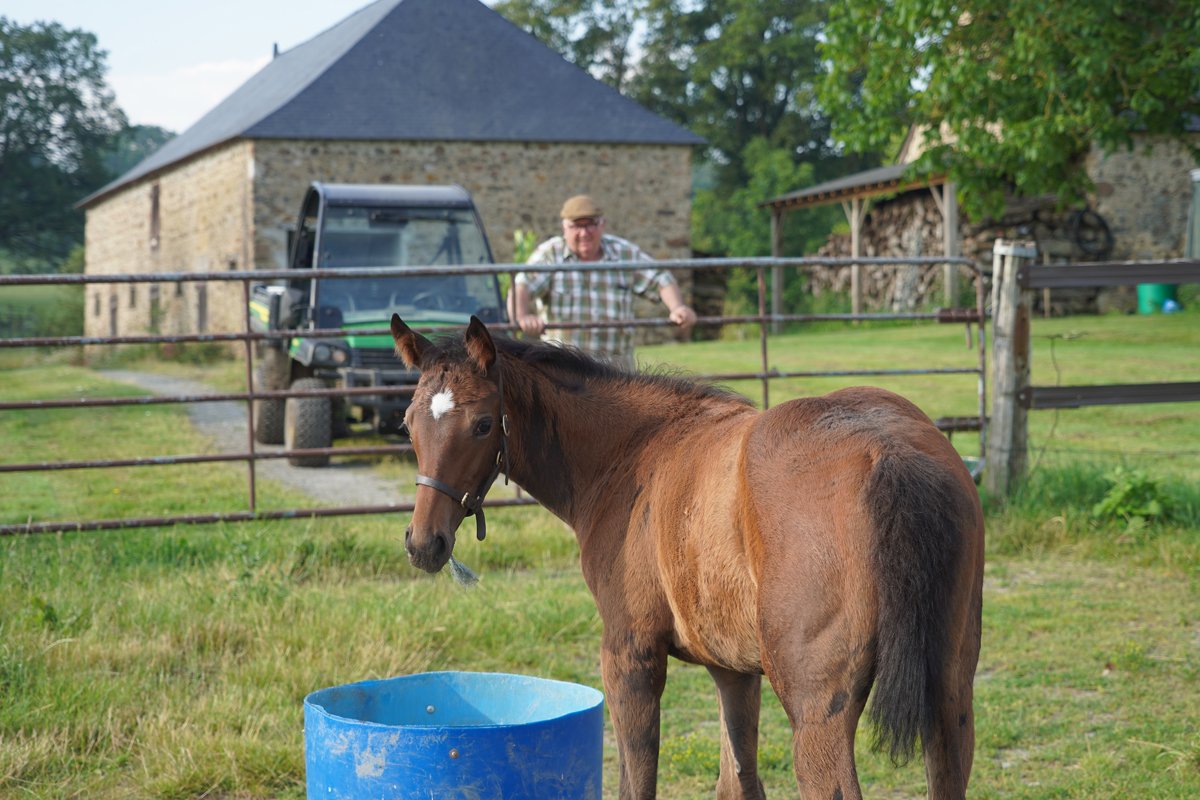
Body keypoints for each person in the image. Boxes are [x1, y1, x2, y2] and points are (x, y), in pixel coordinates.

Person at [510, 194, 697, 370]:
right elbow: (522, 285)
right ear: (564, 227)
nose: (584, 233)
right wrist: (522, 316)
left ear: (602, 224)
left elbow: (661, 279)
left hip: (615, 372)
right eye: (576, 226)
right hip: (565, 372)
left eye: (591, 224)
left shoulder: (623, 253)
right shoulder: (551, 254)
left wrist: (677, 308)